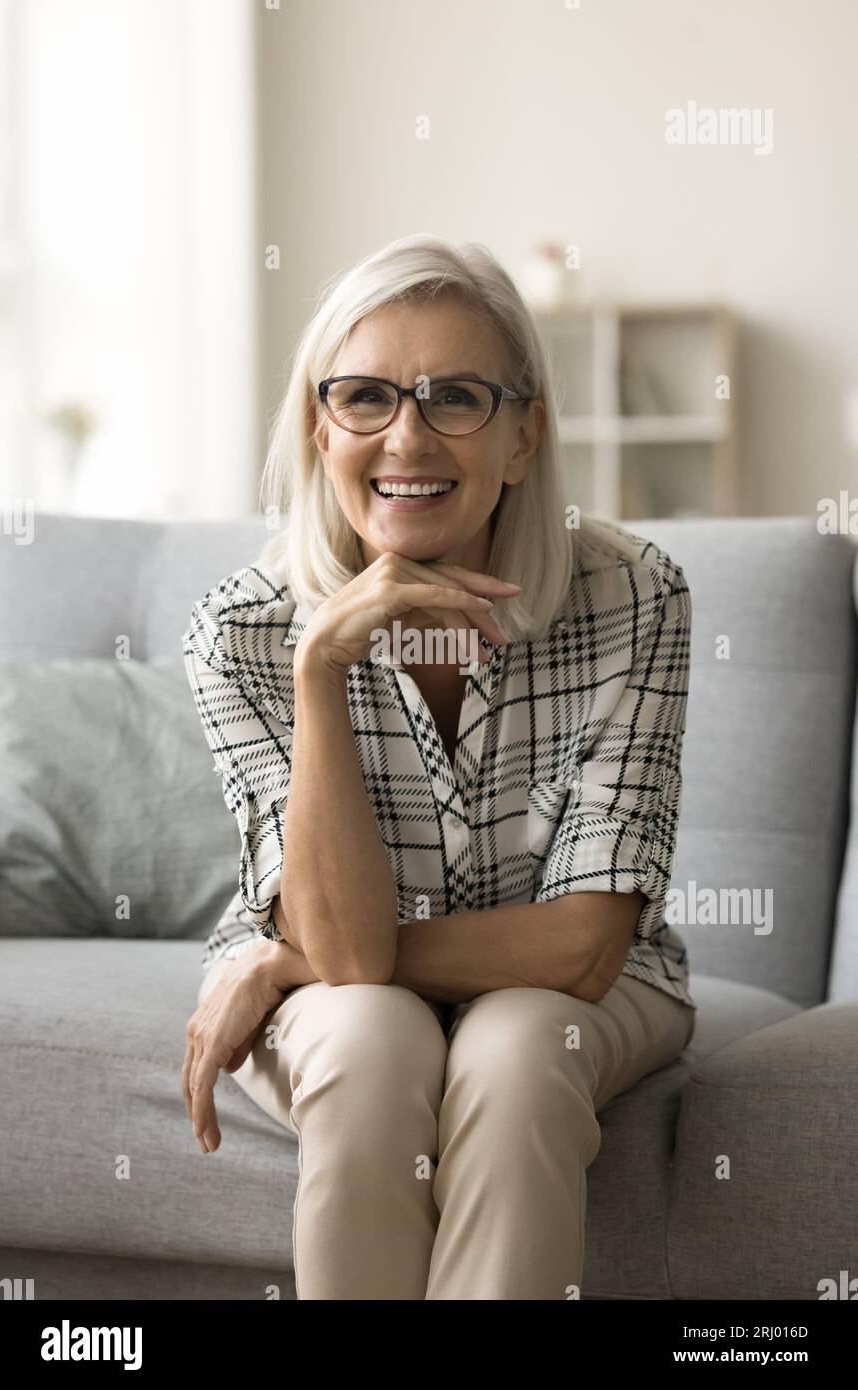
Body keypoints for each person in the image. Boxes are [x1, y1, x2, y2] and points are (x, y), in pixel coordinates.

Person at [180, 232, 696, 1300]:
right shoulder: (243, 630)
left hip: (597, 989)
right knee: (368, 1036)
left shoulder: (635, 597)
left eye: (454, 396)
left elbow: (585, 947)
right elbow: (350, 963)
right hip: (344, 991)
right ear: (323, 429)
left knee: (518, 1043)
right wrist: (321, 663)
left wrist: (292, 960)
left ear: (522, 436)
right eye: (364, 396)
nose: (406, 437)